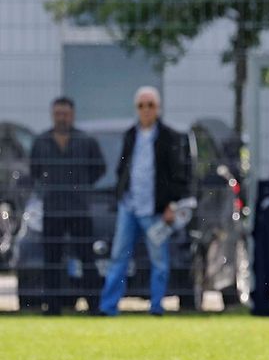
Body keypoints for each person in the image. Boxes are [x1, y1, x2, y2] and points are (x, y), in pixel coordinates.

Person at [99, 86, 191, 316]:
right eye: (141, 105)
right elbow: (122, 168)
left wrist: (171, 205)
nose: (146, 110)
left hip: (155, 209)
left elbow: (178, 175)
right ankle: (108, 307)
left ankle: (156, 306)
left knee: (159, 260)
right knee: (118, 257)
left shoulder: (169, 137)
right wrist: (121, 193)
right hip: (130, 206)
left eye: (150, 105)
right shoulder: (131, 135)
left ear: (158, 108)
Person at [29, 96, 105, 315]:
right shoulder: (41, 141)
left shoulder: (86, 141)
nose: (61, 118)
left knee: (87, 257)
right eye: (57, 114)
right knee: (52, 260)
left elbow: (98, 169)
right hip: (52, 208)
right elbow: (35, 171)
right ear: (52, 115)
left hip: (78, 208)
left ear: (72, 115)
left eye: (65, 114)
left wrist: (80, 186)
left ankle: (94, 306)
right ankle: (52, 307)